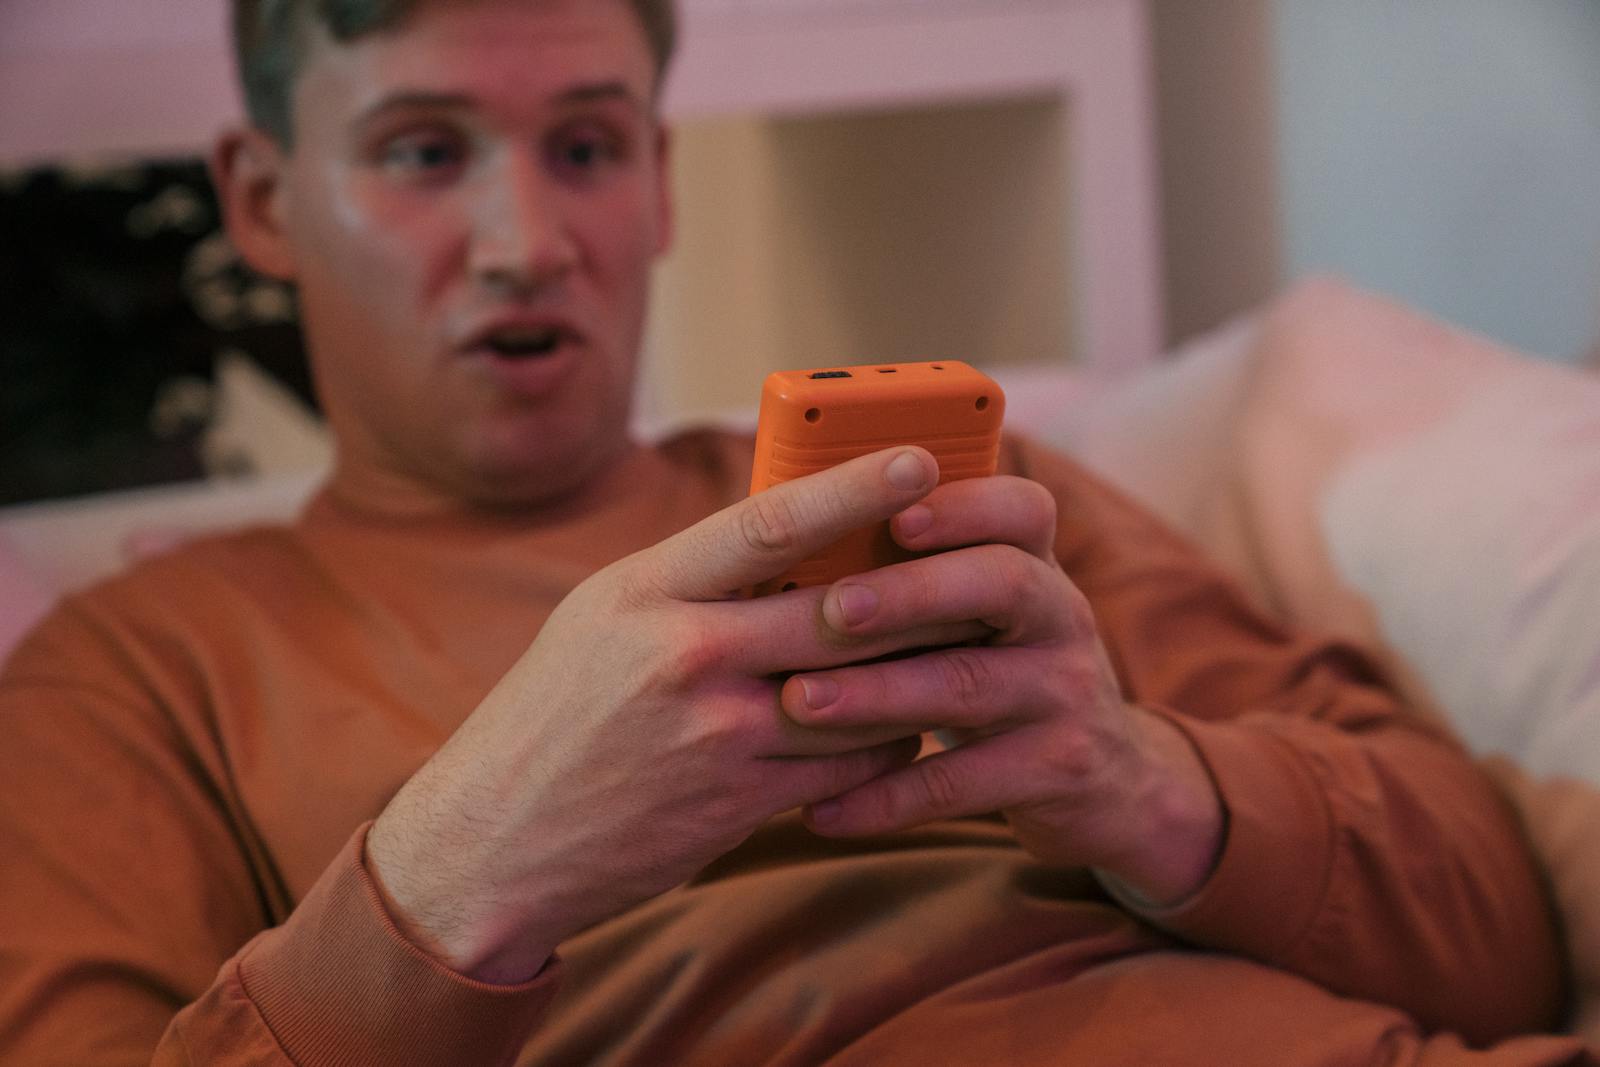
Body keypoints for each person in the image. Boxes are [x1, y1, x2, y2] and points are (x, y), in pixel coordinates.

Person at [0, 1, 1590, 1063]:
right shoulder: (133, 674)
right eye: (424, 152)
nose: (526, 244)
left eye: (588, 147)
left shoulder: (972, 506)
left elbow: (1510, 927)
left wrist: (1138, 784)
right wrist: (462, 870)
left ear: (663, 184)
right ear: (263, 199)